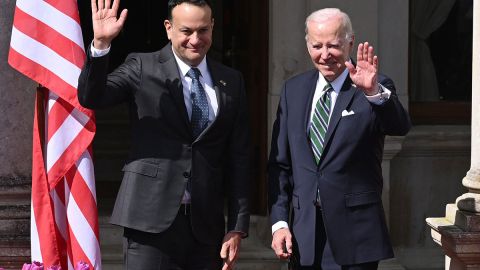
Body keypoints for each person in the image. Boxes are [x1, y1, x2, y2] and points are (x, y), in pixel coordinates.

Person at [77, 0, 251, 269]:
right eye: (186, 31)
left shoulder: (232, 80)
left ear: (213, 27)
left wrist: (237, 227)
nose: (195, 39)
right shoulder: (141, 66)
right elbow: (92, 96)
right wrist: (100, 45)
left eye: (203, 30)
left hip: (206, 229)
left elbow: (239, 158)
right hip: (149, 222)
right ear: (168, 28)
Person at [268, 8, 411, 270]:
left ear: (350, 42)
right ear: (307, 44)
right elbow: (281, 164)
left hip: (355, 237)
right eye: (317, 45)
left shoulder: (371, 86)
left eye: (333, 45)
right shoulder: (293, 90)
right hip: (304, 235)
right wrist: (279, 223)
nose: (325, 55)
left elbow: (399, 125)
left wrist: (373, 92)